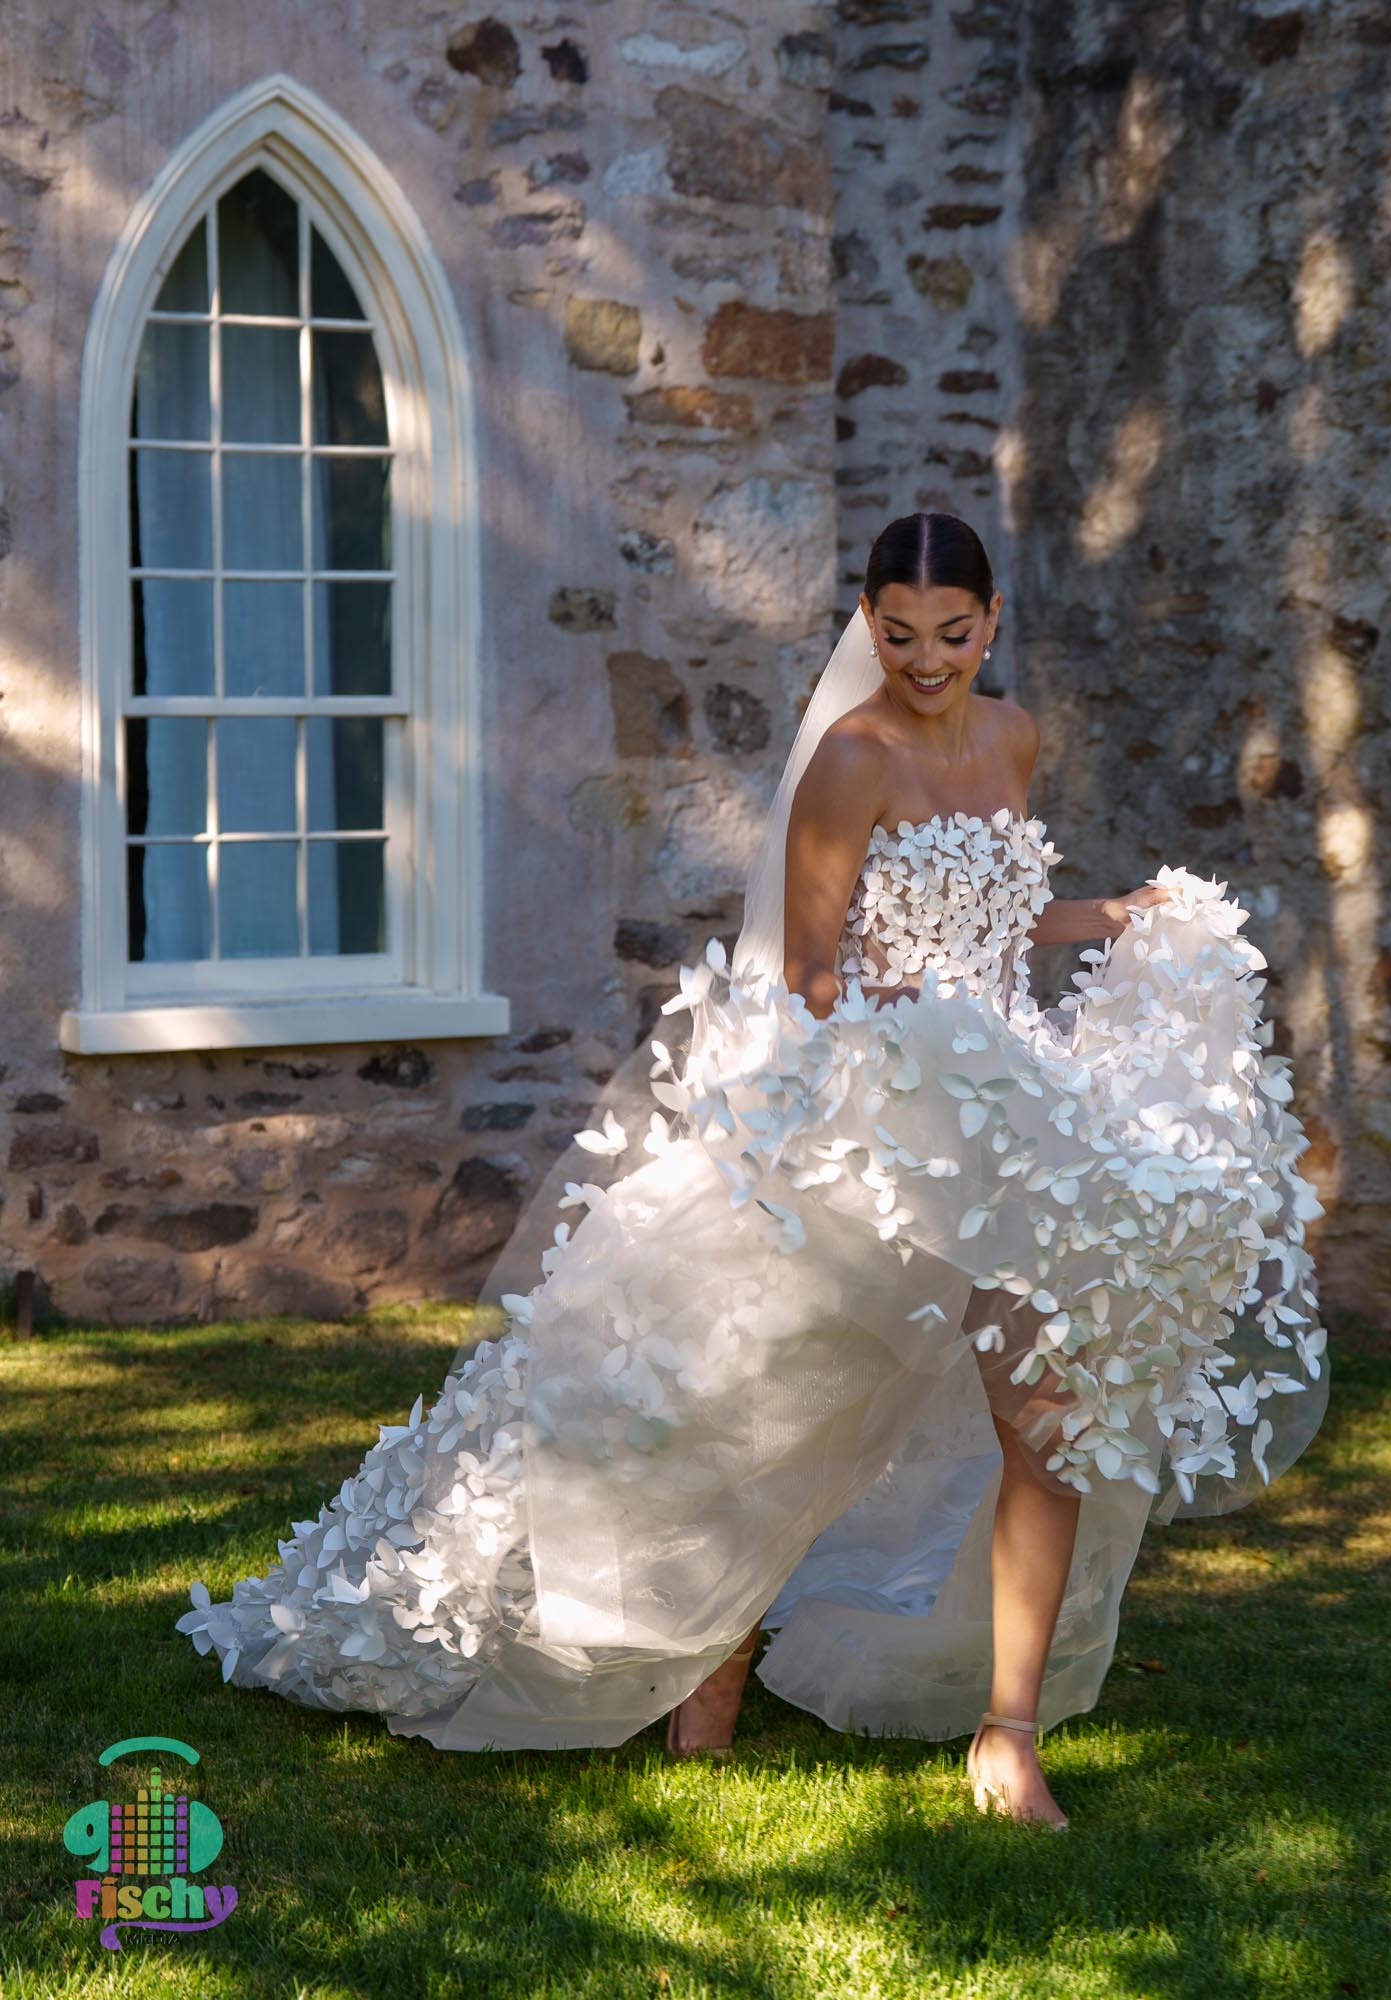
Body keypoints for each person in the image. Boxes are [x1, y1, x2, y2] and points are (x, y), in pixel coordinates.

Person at [180, 512, 1328, 1831]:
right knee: (775, 1403)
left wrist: (1121, 919)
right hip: (880, 1104)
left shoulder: (1012, 738)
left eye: (952, 634)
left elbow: (1007, 937)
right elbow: (810, 976)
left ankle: (1006, 1740)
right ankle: (707, 1664)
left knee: (1049, 1423)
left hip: (1005, 1113)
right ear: (869, 622)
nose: (926, 658)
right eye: (897, 635)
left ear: (993, 622)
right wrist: (909, 1026)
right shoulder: (851, 758)